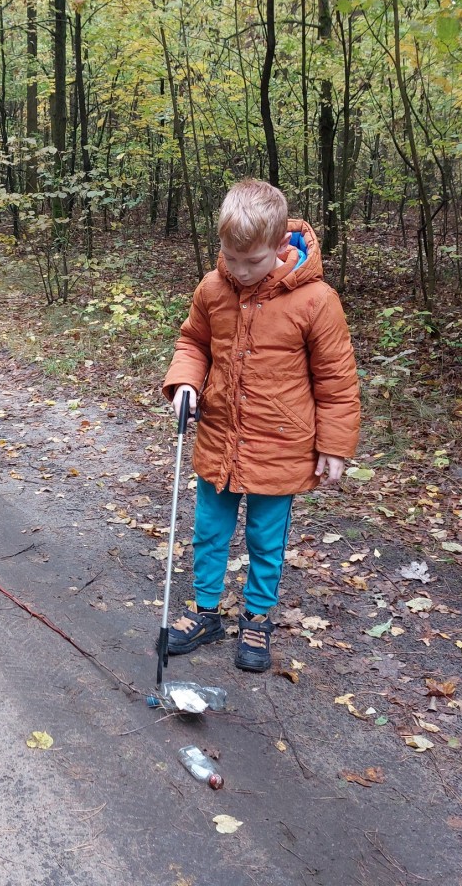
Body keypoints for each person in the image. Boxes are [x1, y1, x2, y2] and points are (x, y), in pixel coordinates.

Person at [161, 179, 359, 672]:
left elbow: (336, 378)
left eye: (253, 261)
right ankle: (206, 612)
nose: (241, 271)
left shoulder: (316, 300)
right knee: (209, 530)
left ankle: (257, 617)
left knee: (266, 539)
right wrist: (185, 383)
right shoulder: (212, 289)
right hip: (219, 437)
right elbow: (193, 343)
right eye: (231, 258)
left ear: (279, 244)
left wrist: (334, 444)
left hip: (281, 443)